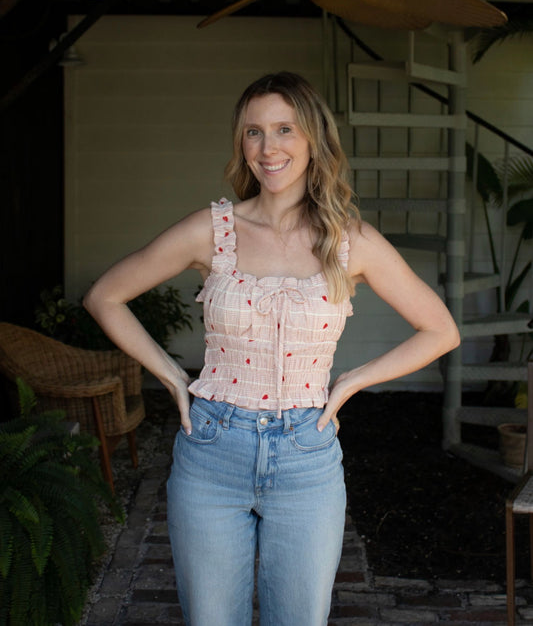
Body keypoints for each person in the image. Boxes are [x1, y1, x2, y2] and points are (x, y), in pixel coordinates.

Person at [84, 71, 460, 626]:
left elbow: (440, 330)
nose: (269, 147)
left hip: (306, 458)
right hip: (212, 449)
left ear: (313, 139)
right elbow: (105, 296)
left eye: (285, 129)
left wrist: (351, 382)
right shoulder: (212, 231)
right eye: (254, 132)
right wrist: (168, 375)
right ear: (242, 143)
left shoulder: (349, 239)